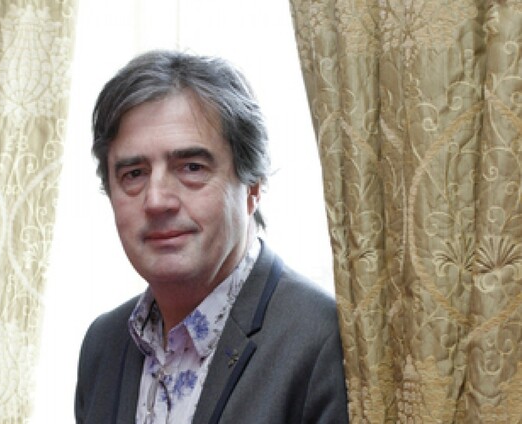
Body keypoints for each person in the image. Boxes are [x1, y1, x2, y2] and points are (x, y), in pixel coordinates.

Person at [75, 50, 349, 424]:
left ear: (253, 186)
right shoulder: (102, 345)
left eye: (191, 167)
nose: (156, 201)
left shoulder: (322, 340)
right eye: (134, 174)